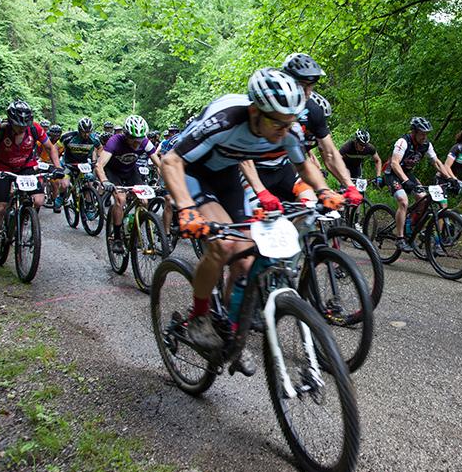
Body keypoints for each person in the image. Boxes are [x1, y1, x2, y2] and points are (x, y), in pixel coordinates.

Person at [160, 68, 342, 367]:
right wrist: (186, 208)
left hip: (227, 175)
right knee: (224, 246)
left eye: (290, 123)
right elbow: (171, 160)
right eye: (277, 123)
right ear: (255, 110)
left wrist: (322, 190)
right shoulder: (226, 119)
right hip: (192, 174)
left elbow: (303, 165)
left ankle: (232, 332)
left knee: (247, 259)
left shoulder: (288, 128)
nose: (284, 131)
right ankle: (199, 316)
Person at [0, 100, 67, 260]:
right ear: (10, 122)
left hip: (26, 166)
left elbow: (50, 147)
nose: (21, 129)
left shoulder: (35, 128)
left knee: (38, 200)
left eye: (24, 126)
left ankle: (28, 218)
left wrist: (58, 167)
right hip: (2, 167)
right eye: (18, 126)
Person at [278, 53, 363, 207]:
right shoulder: (268, 102)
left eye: (311, 86)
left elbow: (330, 152)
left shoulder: (313, 110)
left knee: (309, 207)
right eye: (303, 86)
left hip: (293, 169)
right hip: (260, 169)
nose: (308, 92)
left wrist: (349, 185)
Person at [383, 116, 455, 252]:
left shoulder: (426, 145)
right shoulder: (403, 142)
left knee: (423, 199)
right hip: (392, 173)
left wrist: (450, 178)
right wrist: (405, 181)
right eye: (422, 133)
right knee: (403, 201)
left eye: (426, 134)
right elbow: (394, 163)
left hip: (407, 174)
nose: (424, 136)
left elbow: (437, 162)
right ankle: (399, 239)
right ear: (414, 132)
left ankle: (409, 223)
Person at [94, 115, 161, 254]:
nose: (137, 143)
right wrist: (105, 181)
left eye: (139, 139)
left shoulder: (144, 141)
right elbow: (99, 165)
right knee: (121, 199)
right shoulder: (115, 141)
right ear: (125, 135)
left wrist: (166, 181)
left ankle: (133, 228)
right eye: (133, 140)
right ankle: (117, 238)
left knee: (144, 200)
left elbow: (159, 164)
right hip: (113, 172)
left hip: (131, 171)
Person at [39, 125, 66, 212]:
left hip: (53, 164)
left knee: (56, 184)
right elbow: (36, 151)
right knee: (40, 183)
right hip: (42, 162)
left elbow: (62, 154)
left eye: (57, 136)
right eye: (53, 135)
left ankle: (55, 203)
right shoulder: (42, 142)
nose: (55, 138)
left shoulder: (61, 144)